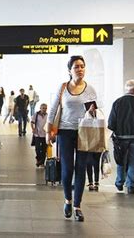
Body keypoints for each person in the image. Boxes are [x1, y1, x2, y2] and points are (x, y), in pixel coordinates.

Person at [47, 55, 97, 222]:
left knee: (81, 168)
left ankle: (77, 206)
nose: (80, 69)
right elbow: (53, 110)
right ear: (70, 70)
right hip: (65, 131)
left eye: (82, 66)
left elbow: (96, 111)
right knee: (68, 169)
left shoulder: (90, 89)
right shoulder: (63, 88)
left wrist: (92, 111)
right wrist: (48, 132)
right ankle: (67, 199)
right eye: (76, 66)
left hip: (84, 131)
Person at [108, 79, 134, 195]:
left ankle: (119, 183)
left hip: (120, 138)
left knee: (121, 160)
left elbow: (111, 122)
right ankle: (130, 185)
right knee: (133, 162)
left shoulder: (117, 102)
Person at [31, 103, 48, 168]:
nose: (44, 109)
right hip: (37, 134)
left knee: (44, 149)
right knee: (37, 149)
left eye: (45, 108)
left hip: (44, 135)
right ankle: (38, 159)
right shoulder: (36, 114)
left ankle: (42, 162)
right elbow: (32, 122)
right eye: (43, 108)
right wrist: (33, 129)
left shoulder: (47, 115)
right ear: (40, 108)